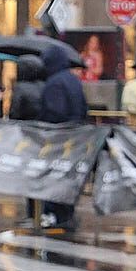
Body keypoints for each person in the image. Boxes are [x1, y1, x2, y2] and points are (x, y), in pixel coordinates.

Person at [38, 39, 88, 231]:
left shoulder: (54, 83)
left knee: (54, 176)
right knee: (68, 177)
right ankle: (67, 212)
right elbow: (84, 108)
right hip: (76, 137)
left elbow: (54, 112)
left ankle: (52, 212)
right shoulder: (73, 80)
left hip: (58, 139)